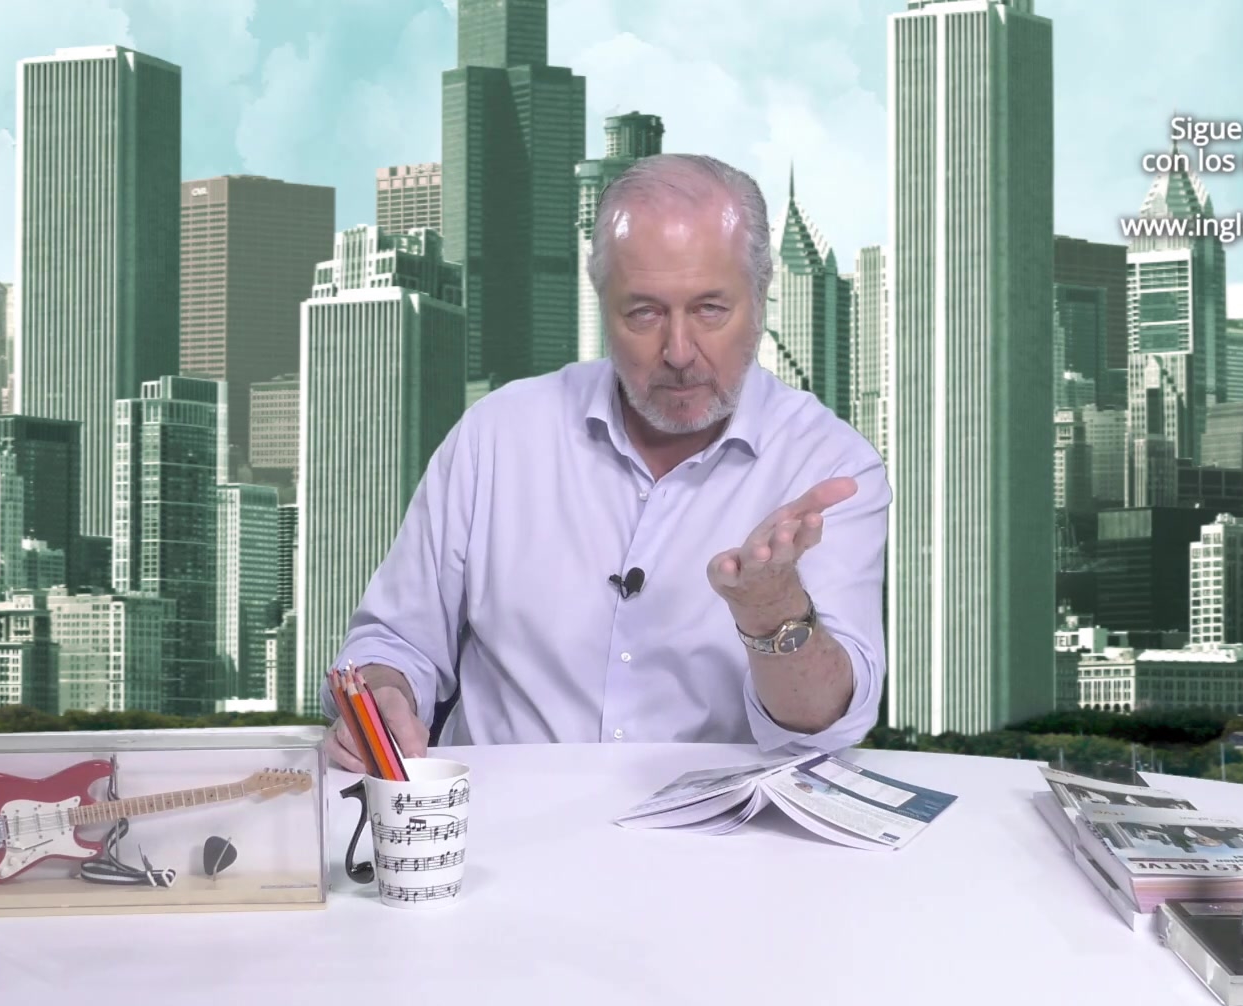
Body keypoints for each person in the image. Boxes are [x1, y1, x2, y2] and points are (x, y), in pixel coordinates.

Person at [324, 153, 890, 772]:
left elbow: (828, 724)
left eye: (710, 309)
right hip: (496, 818)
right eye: (644, 312)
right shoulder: (497, 435)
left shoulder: (830, 465)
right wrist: (385, 697)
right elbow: (394, 641)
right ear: (601, 300)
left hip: (717, 831)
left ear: (760, 297)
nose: (679, 352)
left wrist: (773, 610)